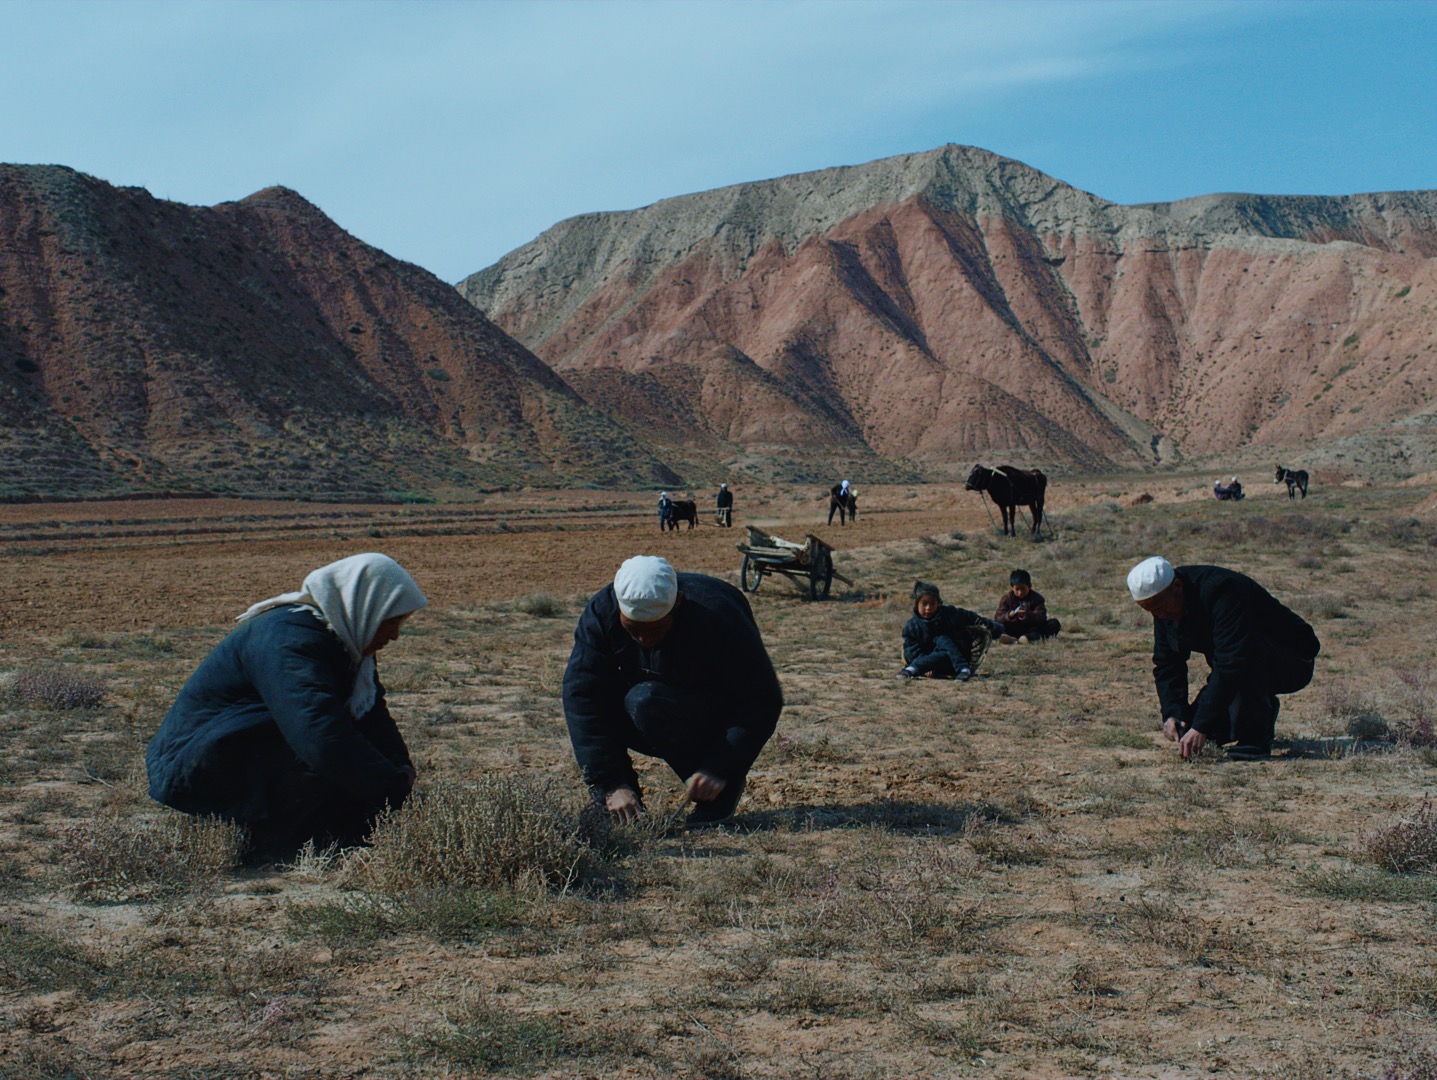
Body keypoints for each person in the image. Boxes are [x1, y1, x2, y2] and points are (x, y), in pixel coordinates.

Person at [145, 553, 427, 856]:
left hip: (238, 750)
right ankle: (270, 841)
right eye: (391, 622)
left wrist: (400, 771)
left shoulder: (341, 641)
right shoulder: (289, 639)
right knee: (328, 758)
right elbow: (319, 735)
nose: (395, 635)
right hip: (196, 767)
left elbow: (372, 715)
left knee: (352, 770)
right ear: (367, 608)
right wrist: (390, 790)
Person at [562, 555, 783, 825]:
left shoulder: (718, 614)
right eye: (633, 628)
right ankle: (623, 804)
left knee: (644, 701)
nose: (643, 638)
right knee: (611, 697)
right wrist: (610, 783)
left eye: (654, 628)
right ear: (619, 608)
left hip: (709, 714)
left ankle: (717, 795)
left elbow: (760, 700)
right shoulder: (601, 613)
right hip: (644, 707)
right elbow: (582, 696)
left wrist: (720, 766)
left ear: (676, 604)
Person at [1127, 556, 1319, 761]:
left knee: (1244, 652)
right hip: (1241, 667)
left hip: (1293, 662)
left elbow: (1233, 661)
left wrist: (1202, 725)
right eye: (1150, 610)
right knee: (1191, 730)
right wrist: (1174, 712)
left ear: (1178, 586)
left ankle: (1255, 737)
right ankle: (1259, 711)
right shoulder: (1164, 605)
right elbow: (1168, 662)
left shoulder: (1223, 590)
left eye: (1160, 607)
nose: (1160, 615)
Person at [900, 581, 1007, 681]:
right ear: (917, 604)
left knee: (942, 639)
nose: (928, 608)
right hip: (935, 665)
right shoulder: (911, 627)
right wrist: (927, 667)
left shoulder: (950, 613)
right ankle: (964, 670)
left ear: (938, 603)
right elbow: (912, 653)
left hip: (956, 659)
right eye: (924, 604)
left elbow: (974, 618)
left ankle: (912, 669)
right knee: (942, 643)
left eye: (932, 603)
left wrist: (995, 628)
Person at [995, 569, 1061, 642]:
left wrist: (1028, 614)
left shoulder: (1037, 599)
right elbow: (998, 619)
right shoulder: (1007, 598)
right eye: (1017, 589)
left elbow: (1042, 618)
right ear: (1012, 587)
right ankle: (1010, 639)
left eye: (1023, 589)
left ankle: (1026, 638)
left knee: (1054, 624)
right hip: (1012, 629)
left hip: (1031, 629)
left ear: (1029, 586)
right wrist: (1009, 616)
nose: (1020, 592)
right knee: (993, 626)